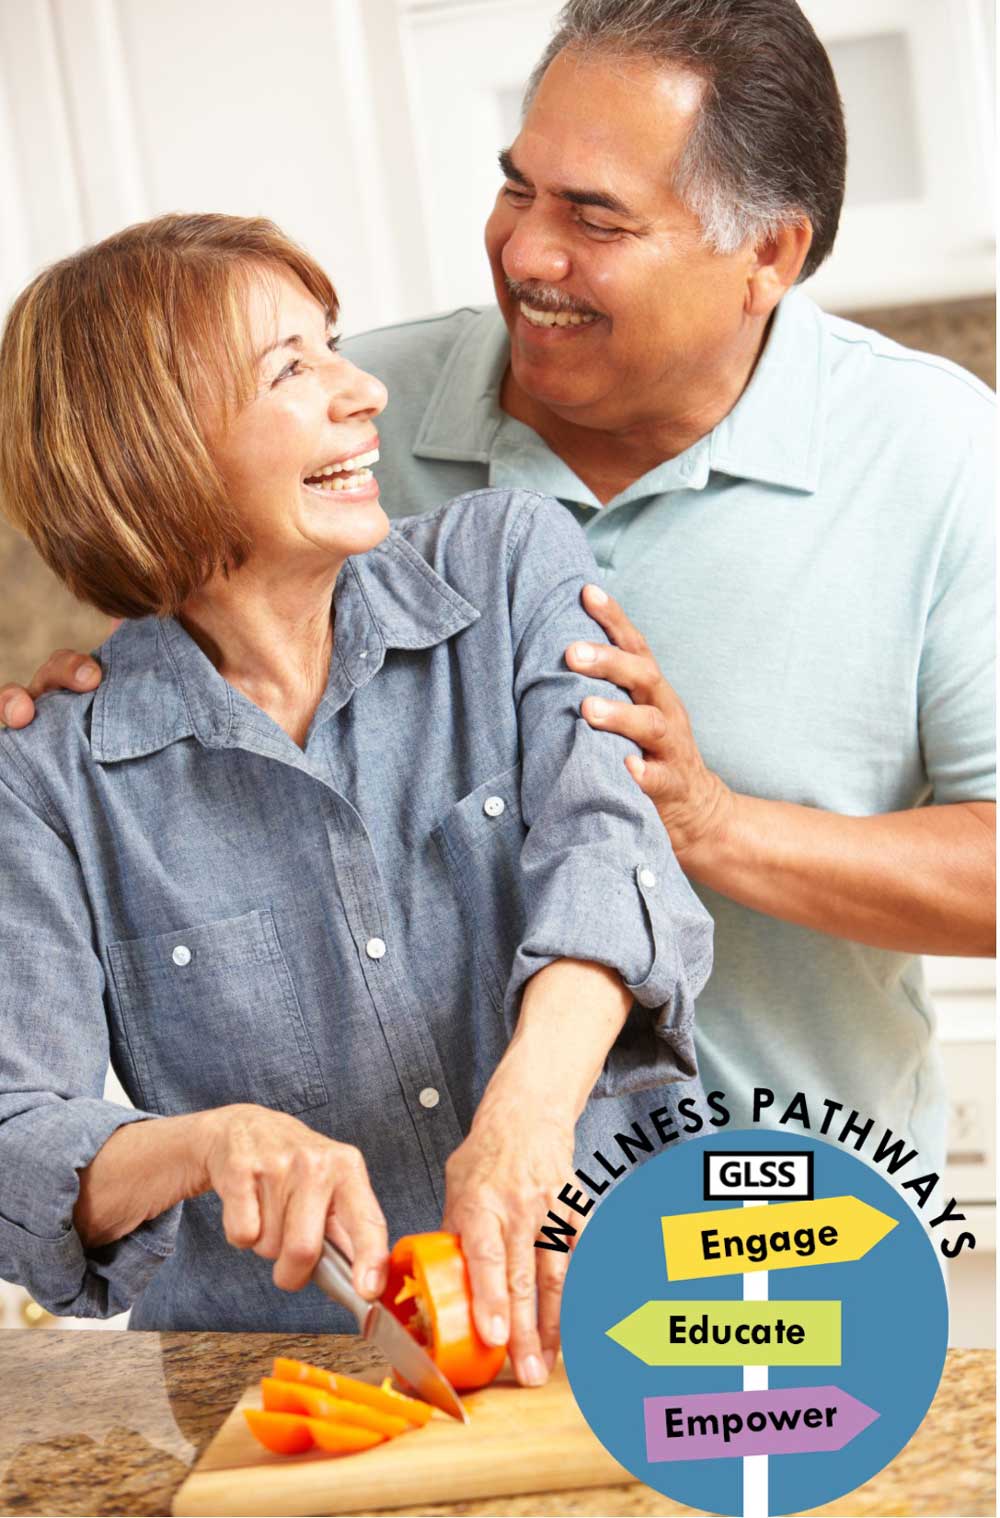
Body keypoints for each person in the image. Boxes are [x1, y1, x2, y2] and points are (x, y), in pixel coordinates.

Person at [11, 0, 989, 1166]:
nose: (526, 251)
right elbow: (175, 574)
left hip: (807, 1211)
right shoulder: (355, 417)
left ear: (765, 254)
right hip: (454, 1250)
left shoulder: (936, 451)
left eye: (594, 216)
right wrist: (71, 693)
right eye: (518, 187)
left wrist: (710, 825)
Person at [0, 214, 714, 1385]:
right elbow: (16, 1133)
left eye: (330, 344)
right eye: (291, 368)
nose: (362, 389)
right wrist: (205, 1146)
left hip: (630, 1333)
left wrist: (524, 1120)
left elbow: (607, 846)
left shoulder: (510, 561)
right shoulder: (45, 774)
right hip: (284, 1403)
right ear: (150, 448)